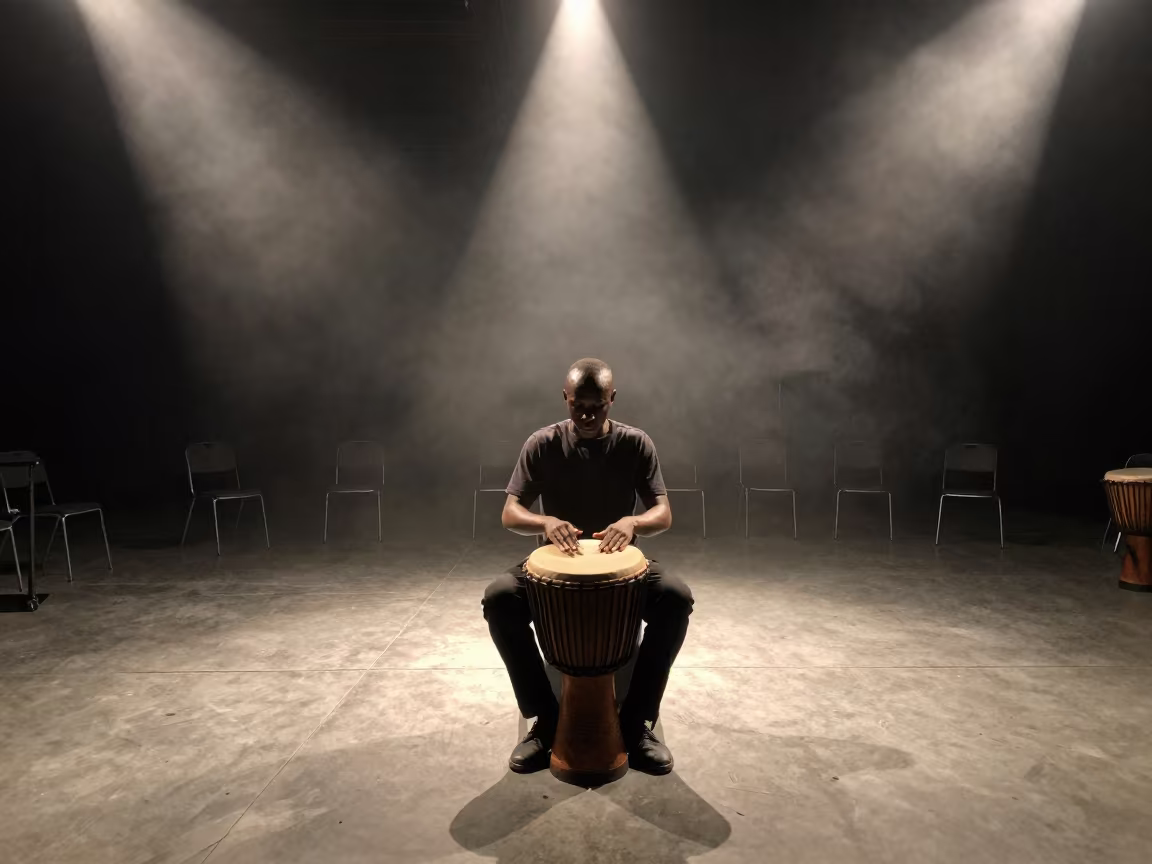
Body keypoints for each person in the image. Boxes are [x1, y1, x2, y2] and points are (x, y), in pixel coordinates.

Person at [481, 357, 694, 775]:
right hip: (555, 567)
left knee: (676, 597)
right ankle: (545, 719)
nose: (587, 416)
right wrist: (544, 522)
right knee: (499, 599)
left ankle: (637, 722)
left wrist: (633, 522)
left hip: (620, 566)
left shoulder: (635, 443)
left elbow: (663, 513)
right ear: (565, 397)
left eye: (598, 406)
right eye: (578, 406)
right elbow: (510, 512)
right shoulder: (542, 443)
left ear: (613, 398)